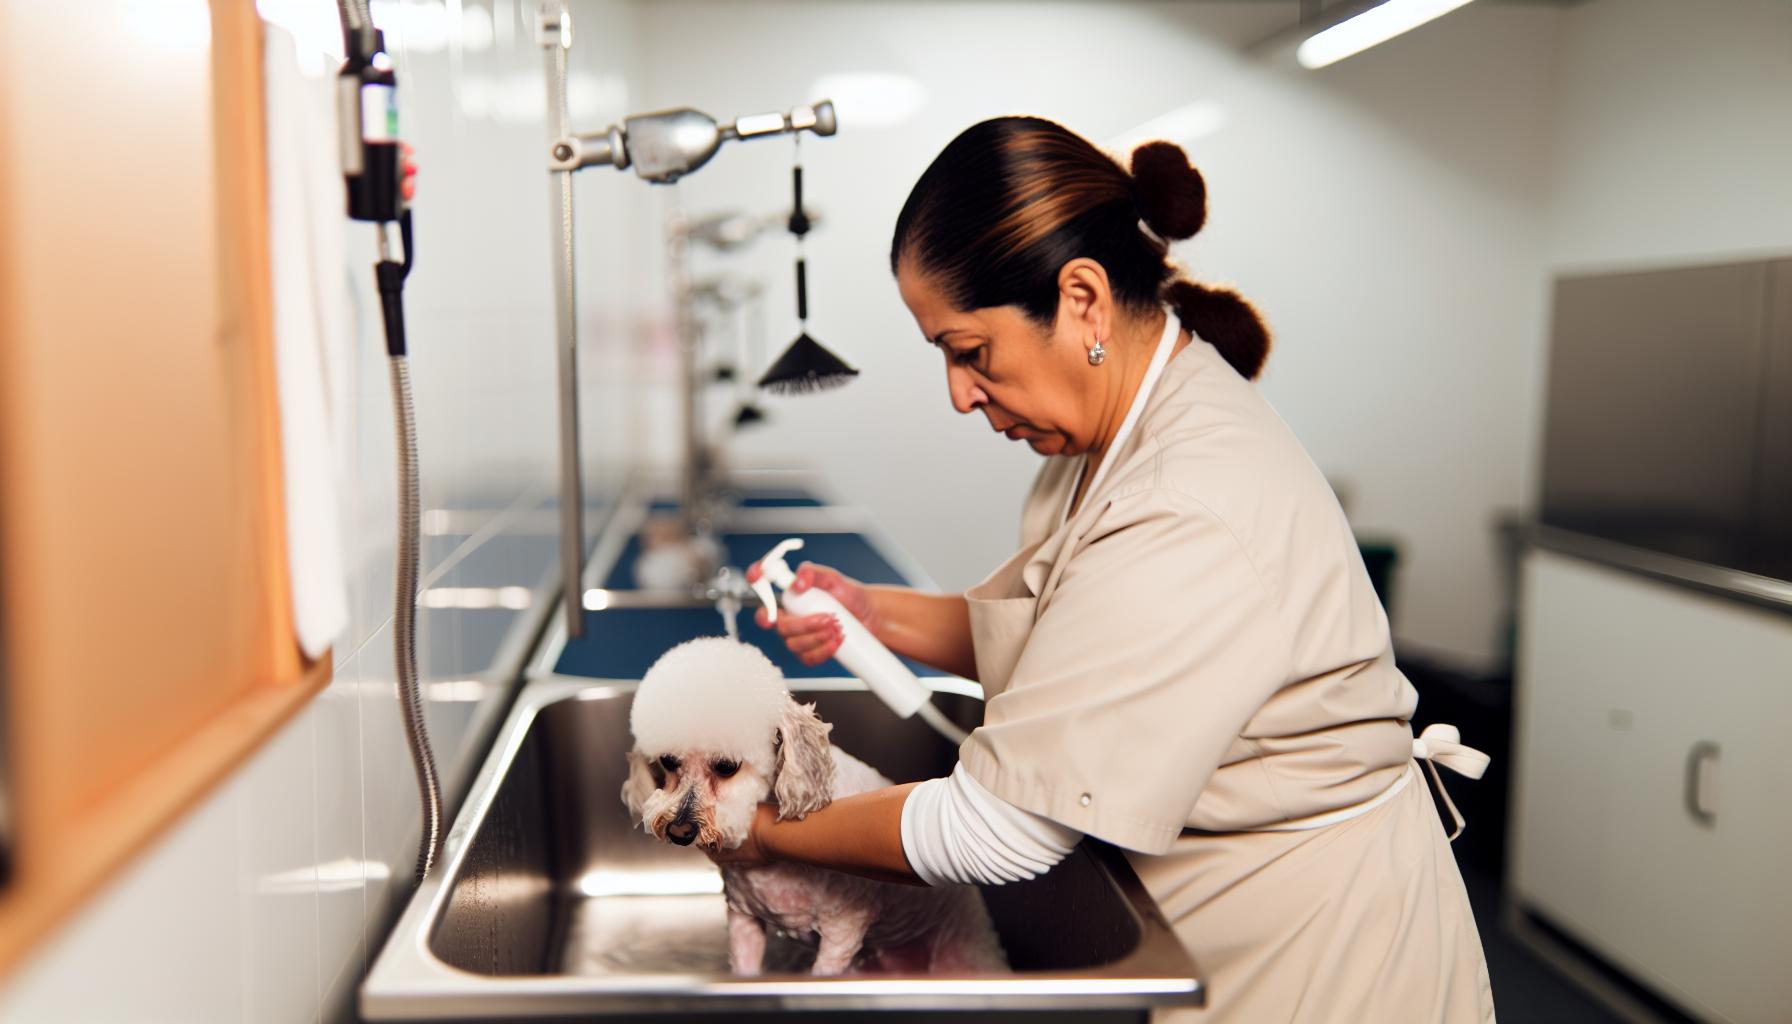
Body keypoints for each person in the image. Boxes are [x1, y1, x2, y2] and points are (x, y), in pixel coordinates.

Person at [721, 116, 1495, 1022]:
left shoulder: (1185, 499)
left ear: (1082, 300)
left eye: (970, 353)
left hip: (1316, 954)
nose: (960, 394)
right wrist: (869, 613)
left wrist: (755, 826)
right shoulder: (1105, 431)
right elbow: (1076, 637)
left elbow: (993, 831)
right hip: (1206, 914)